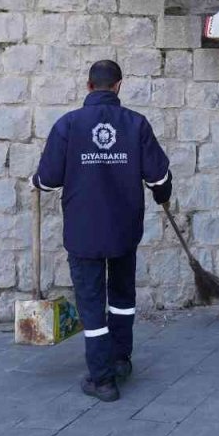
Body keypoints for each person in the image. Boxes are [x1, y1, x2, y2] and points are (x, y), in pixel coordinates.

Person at [31, 60, 173, 402]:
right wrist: (162, 194)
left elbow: (48, 179)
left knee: (92, 304)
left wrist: (35, 181)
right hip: (124, 230)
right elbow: (160, 177)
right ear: (119, 85)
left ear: (88, 85)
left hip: (84, 232)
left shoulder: (67, 125)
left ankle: (102, 378)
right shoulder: (136, 124)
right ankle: (121, 359)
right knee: (122, 298)